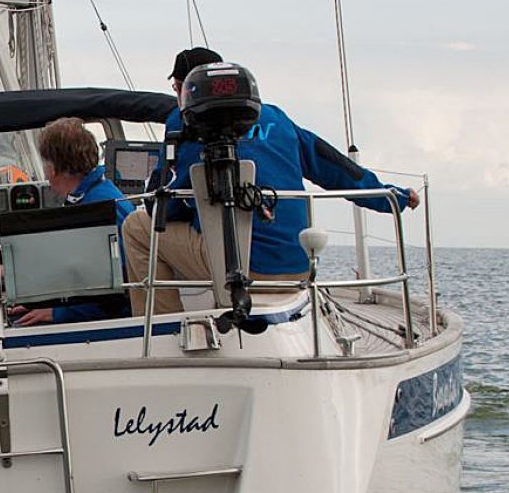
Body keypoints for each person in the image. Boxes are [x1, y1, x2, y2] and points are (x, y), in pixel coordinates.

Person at [122, 47, 420, 314]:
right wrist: (395, 197)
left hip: (241, 269)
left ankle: (162, 328)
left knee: (136, 228)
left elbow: (164, 208)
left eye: (177, 89)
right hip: (300, 265)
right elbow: (337, 169)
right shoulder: (278, 118)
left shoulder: (186, 124)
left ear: (186, 90)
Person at [9, 118, 135, 326]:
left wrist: (58, 313)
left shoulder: (94, 209)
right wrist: (46, 302)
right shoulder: (100, 193)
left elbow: (114, 293)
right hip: (99, 307)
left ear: (53, 168)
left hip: (112, 317)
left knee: (18, 326)